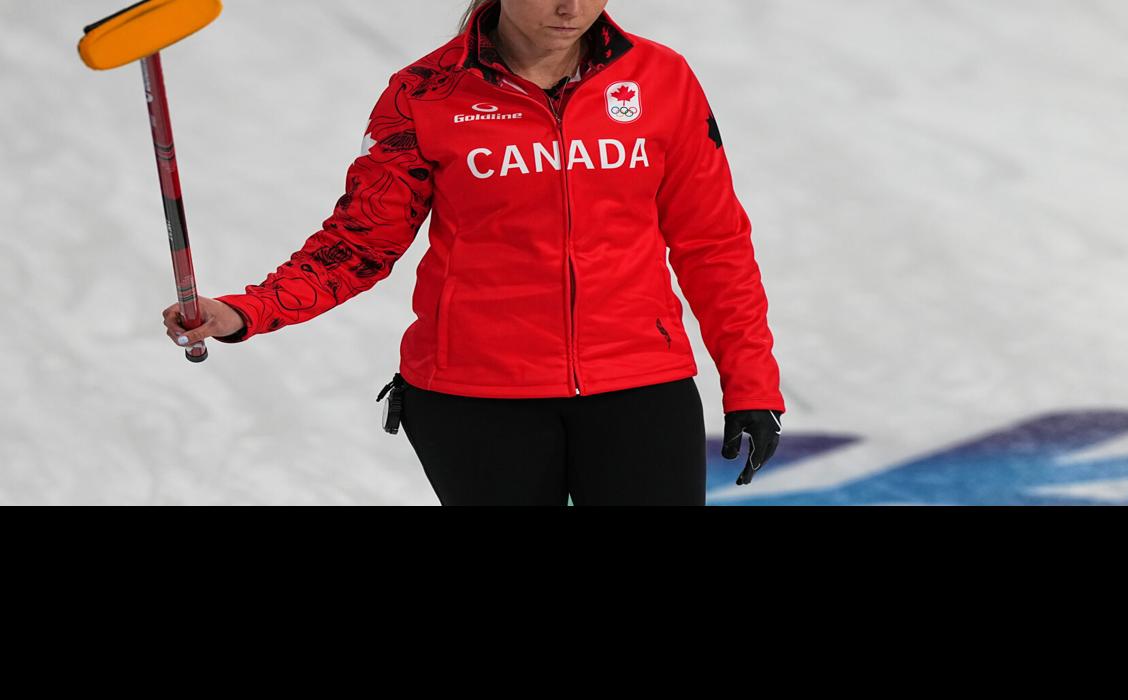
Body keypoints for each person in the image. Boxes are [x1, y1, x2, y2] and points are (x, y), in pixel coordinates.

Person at [159, 0, 785, 505]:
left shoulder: (661, 78)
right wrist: (247, 311)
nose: (571, 7)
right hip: (476, 399)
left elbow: (713, 242)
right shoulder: (426, 93)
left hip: (639, 384)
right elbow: (360, 243)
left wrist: (751, 383)